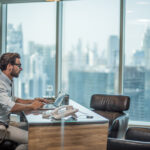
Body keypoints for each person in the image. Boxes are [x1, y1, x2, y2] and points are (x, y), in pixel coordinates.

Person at [0, 52, 49, 150]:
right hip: (1, 127)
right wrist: (32, 106)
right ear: (10, 66)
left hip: (6, 123)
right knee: (35, 139)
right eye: (18, 66)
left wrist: (33, 101)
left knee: (36, 130)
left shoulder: (7, 80)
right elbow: (12, 106)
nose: (21, 69)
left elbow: (16, 99)